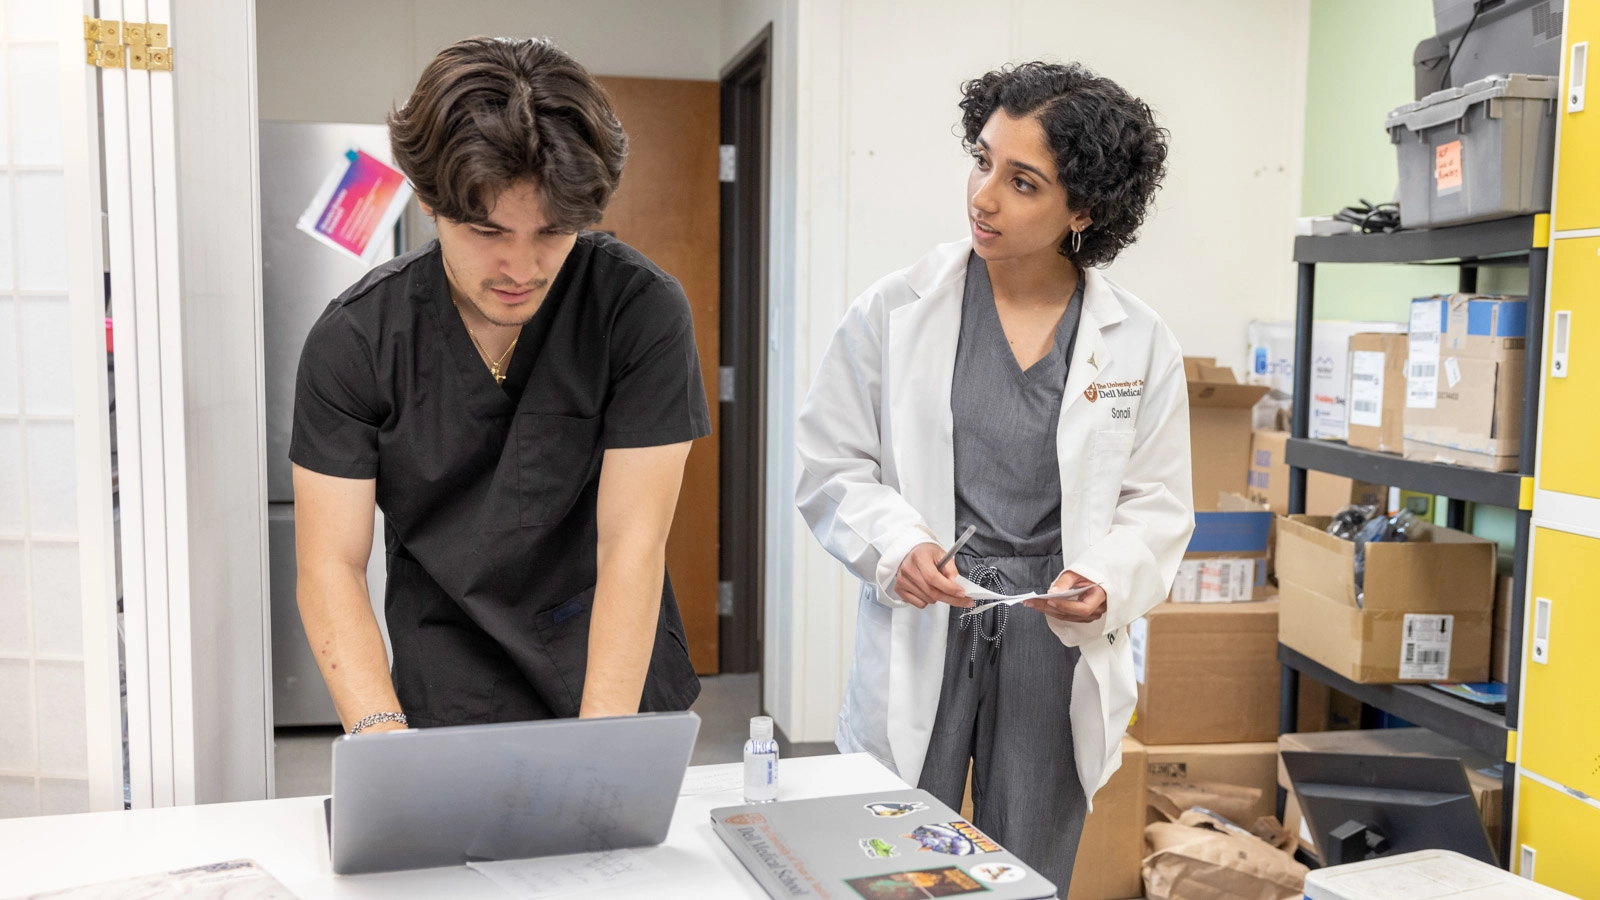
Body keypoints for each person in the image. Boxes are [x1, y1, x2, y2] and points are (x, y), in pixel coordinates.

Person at [795, 61, 1194, 888]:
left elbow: (1156, 505)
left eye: (1021, 182)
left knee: (1028, 867)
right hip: (930, 613)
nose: (983, 196)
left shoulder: (1138, 340)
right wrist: (896, 544)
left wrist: (1107, 579)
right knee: (890, 860)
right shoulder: (895, 310)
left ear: (1083, 209)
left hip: (1053, 634)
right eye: (982, 161)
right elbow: (832, 462)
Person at [290, 37, 709, 736]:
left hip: (607, 662)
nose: (521, 266)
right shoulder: (356, 341)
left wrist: (604, 745)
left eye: (553, 231)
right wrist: (380, 735)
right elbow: (331, 563)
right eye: (487, 229)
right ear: (429, 200)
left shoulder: (637, 311)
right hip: (450, 671)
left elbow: (632, 543)